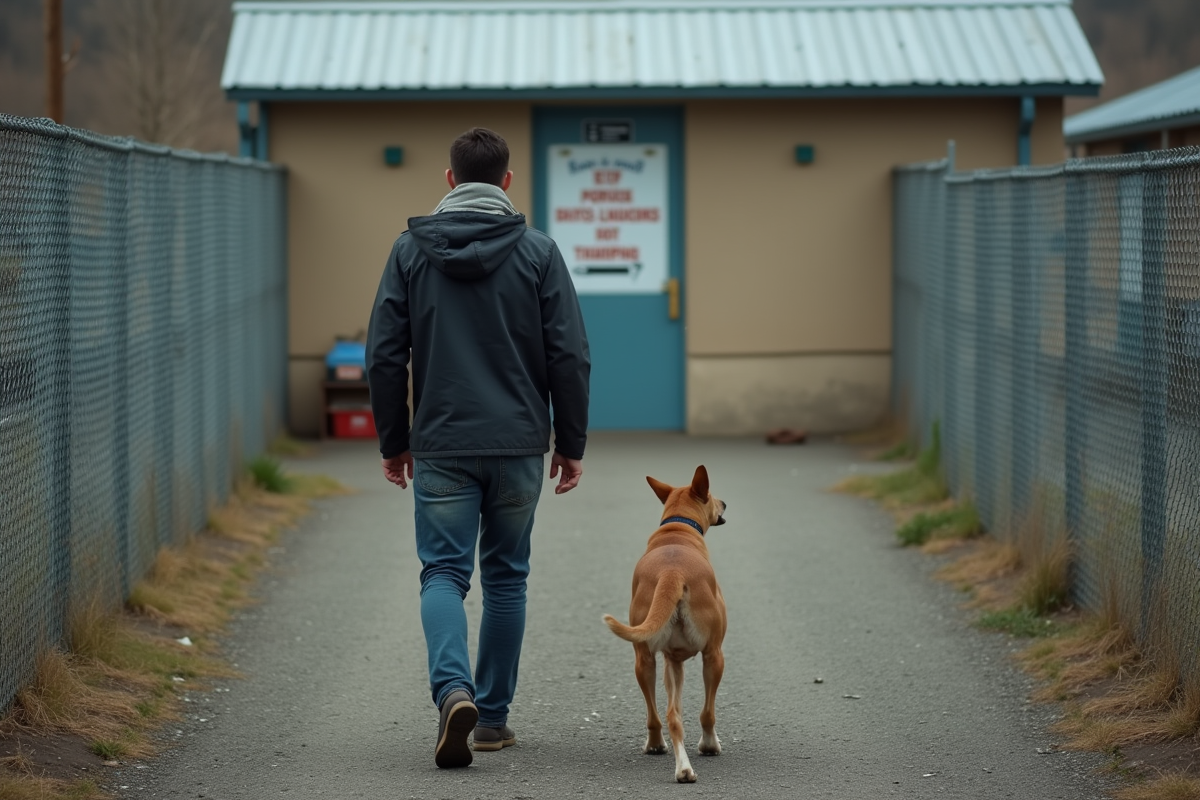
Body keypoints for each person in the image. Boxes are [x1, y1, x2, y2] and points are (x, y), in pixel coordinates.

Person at [366, 127, 590, 769]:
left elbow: (384, 354)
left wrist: (393, 441)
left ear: (449, 180)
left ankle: (452, 691)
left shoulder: (410, 251)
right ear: (508, 183)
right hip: (519, 444)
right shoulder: (540, 252)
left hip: (440, 441)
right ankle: (490, 720)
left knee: (442, 573)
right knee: (506, 578)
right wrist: (569, 443)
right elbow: (568, 355)